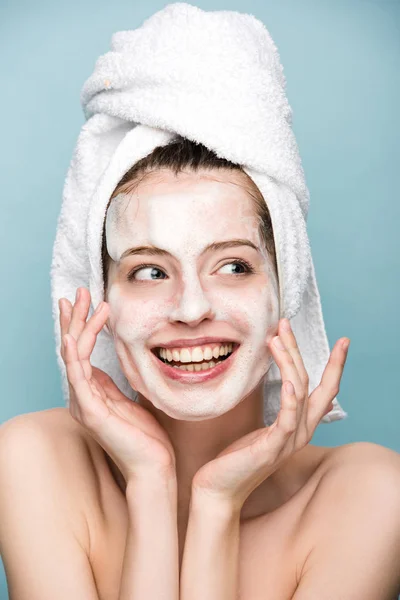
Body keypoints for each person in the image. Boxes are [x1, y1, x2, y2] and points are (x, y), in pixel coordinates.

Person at [0, 135, 399, 600]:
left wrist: (217, 505)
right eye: (150, 271)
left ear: (285, 293)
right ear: (103, 304)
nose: (190, 309)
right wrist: (150, 485)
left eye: (233, 266)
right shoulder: (34, 459)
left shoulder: (372, 497)